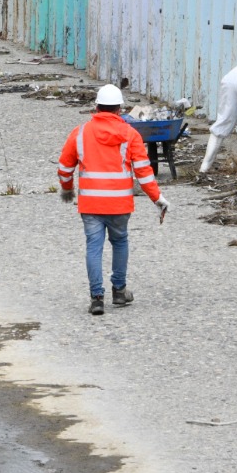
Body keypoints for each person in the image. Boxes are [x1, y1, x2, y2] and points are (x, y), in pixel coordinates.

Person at [57, 85, 170, 316]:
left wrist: (67, 189)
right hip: (119, 205)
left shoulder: (79, 133)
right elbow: (144, 172)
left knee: (93, 248)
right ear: (119, 109)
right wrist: (157, 198)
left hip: (91, 204)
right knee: (119, 243)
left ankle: (96, 298)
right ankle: (119, 291)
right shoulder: (130, 135)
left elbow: (64, 167)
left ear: (96, 107)